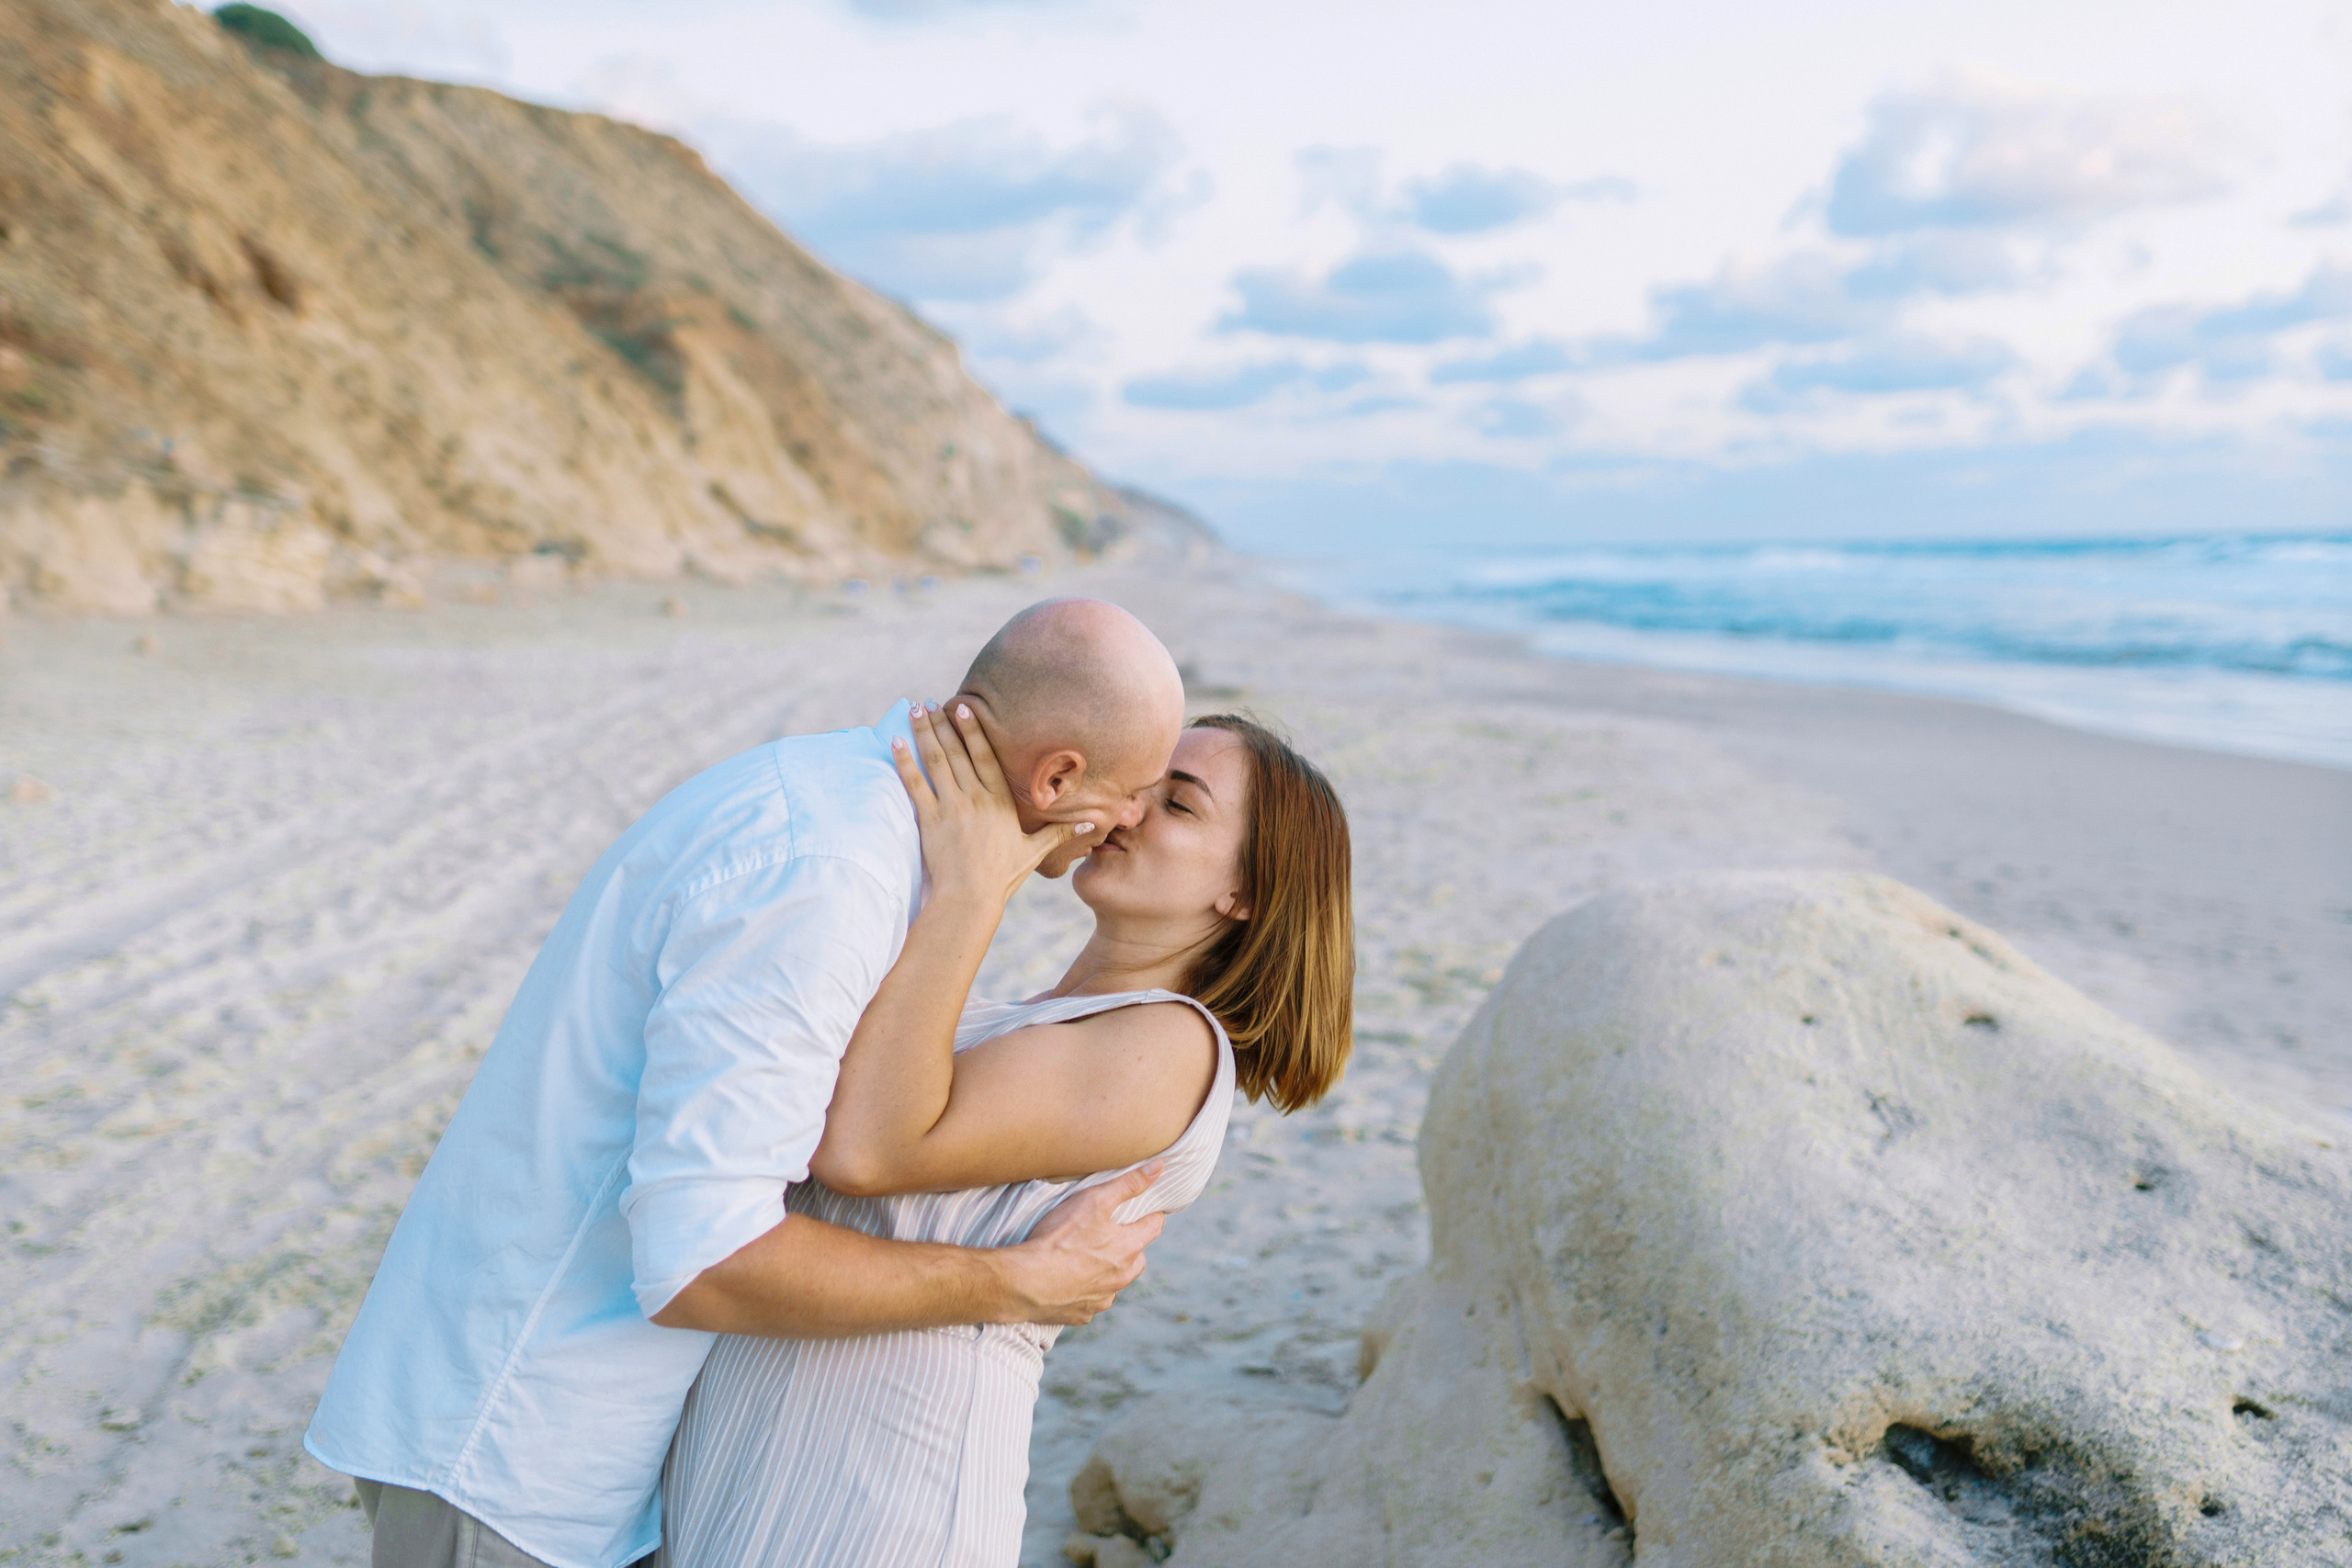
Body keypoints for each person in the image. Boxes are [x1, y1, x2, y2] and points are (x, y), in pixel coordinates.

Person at [305, 600, 1192, 1568]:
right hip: (515, 1447)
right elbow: (705, 1257)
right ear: (1057, 776)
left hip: (564, 1436)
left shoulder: (846, 812)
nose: (1131, 822)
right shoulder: (829, 872)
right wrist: (1017, 1284)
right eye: (1134, 793)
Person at [656, 699, 1354, 1568]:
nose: (1128, 809)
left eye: (1177, 803)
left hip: (884, 1492)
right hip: (764, 1458)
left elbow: (868, 1148)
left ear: (1242, 893)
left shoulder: (1173, 1044)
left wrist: (973, 887)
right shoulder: (1029, 1019)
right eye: (1139, 784)